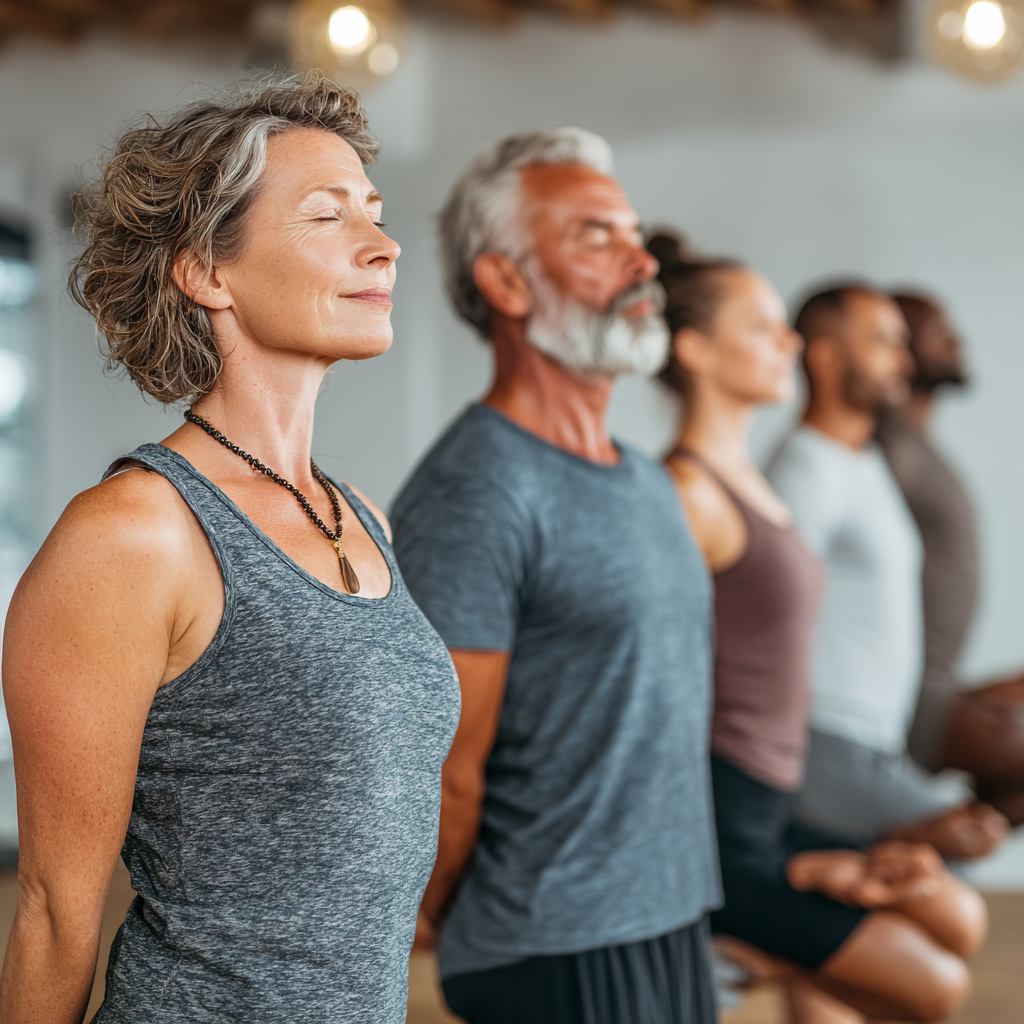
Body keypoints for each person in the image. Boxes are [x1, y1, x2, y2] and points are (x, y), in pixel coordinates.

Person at [0, 74, 459, 1023]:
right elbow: (51, 914)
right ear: (207, 270)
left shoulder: (360, 517)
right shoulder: (134, 535)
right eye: (327, 216)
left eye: (375, 213)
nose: (383, 245)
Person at [391, 129, 720, 1024]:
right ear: (506, 283)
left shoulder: (646, 477)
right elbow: (446, 771)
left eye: (633, 232)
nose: (641, 259)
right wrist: (424, 911)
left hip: (669, 920)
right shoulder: (473, 490)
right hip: (554, 947)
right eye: (595, 237)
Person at [653, 236, 988, 1024]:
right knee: (936, 957)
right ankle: (722, 955)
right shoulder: (764, 474)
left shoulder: (848, 464)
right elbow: (683, 644)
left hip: (794, 773)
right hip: (785, 758)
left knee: (952, 917)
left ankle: (745, 955)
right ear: (696, 349)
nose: (789, 346)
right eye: (882, 340)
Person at [767, 284, 1008, 862]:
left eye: (903, 343)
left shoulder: (865, 462)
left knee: (954, 860)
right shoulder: (805, 470)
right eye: (882, 342)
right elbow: (768, 617)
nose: (902, 360)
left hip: (877, 736)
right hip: (824, 735)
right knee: (952, 868)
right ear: (823, 356)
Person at [878, 292, 1024, 823]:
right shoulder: (890, 446)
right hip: (915, 691)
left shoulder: (916, 443)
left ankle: (917, 842)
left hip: (940, 675)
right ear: (900, 349)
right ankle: (916, 839)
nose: (956, 340)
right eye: (939, 331)